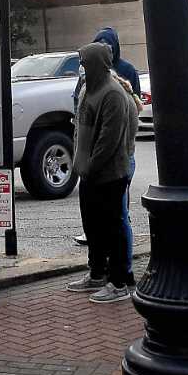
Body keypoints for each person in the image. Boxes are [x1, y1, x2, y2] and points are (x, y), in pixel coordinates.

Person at [73, 40, 140, 303]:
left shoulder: (112, 94)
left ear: (96, 64)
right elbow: (81, 127)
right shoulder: (88, 89)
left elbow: (109, 140)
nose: (81, 68)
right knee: (93, 226)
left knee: (113, 227)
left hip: (109, 174)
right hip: (89, 174)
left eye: (84, 63)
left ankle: (119, 281)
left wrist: (91, 166)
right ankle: (97, 273)